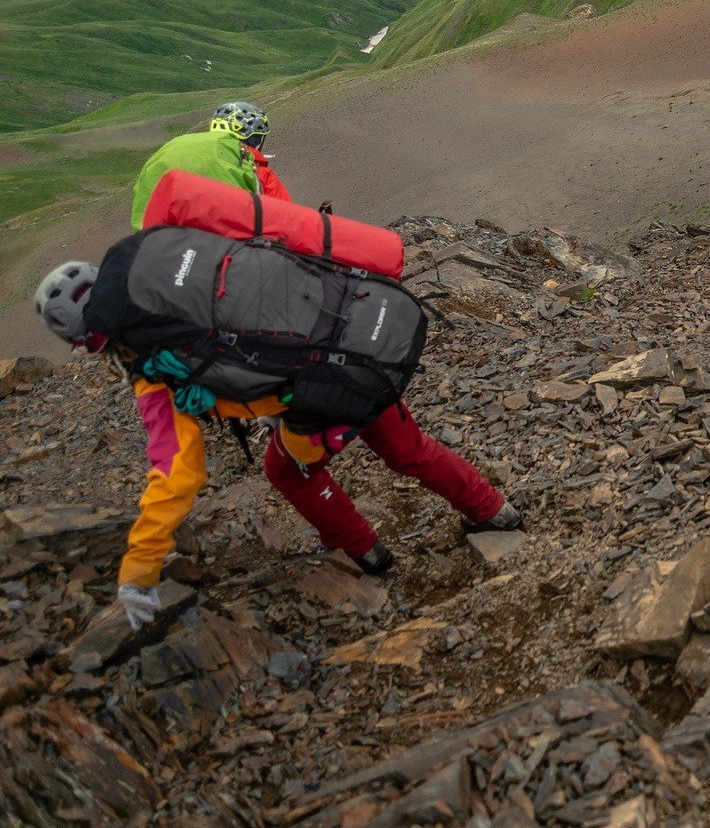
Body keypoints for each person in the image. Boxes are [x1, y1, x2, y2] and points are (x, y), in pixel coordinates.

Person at [32, 259, 519, 631]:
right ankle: (494, 511)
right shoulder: (191, 275)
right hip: (354, 353)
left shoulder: (151, 366)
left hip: (311, 402)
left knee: (285, 472)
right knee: (410, 450)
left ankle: (369, 554)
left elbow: (178, 470)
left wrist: (139, 567)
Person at [129, 101, 288, 228]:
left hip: (151, 245)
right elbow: (284, 221)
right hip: (221, 254)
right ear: (253, 138)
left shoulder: (170, 148)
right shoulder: (256, 170)